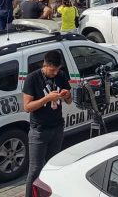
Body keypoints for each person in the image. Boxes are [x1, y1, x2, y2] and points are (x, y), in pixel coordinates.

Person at [22, 50, 72, 197]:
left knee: (52, 166)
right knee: (35, 170)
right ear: (45, 65)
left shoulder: (61, 76)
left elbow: (69, 100)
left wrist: (67, 95)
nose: (55, 73)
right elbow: (27, 107)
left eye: (58, 70)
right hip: (39, 131)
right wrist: (46, 99)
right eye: (52, 70)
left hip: (57, 128)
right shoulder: (32, 78)